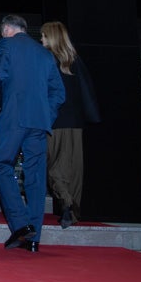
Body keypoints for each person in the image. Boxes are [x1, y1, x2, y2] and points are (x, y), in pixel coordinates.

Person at [0, 14, 65, 253]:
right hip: (39, 122)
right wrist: (45, 114)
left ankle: (21, 224)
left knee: (0, 165)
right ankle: (34, 238)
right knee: (35, 177)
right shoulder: (45, 54)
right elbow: (58, 93)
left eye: (2, 32)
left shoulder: (8, 44)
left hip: (14, 118)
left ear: (8, 29)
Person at [40, 21, 101, 228]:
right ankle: (71, 210)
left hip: (53, 121)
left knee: (51, 166)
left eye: (43, 36)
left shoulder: (46, 59)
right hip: (75, 123)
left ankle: (66, 203)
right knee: (73, 169)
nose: (41, 39)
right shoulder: (74, 60)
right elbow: (87, 92)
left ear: (51, 37)